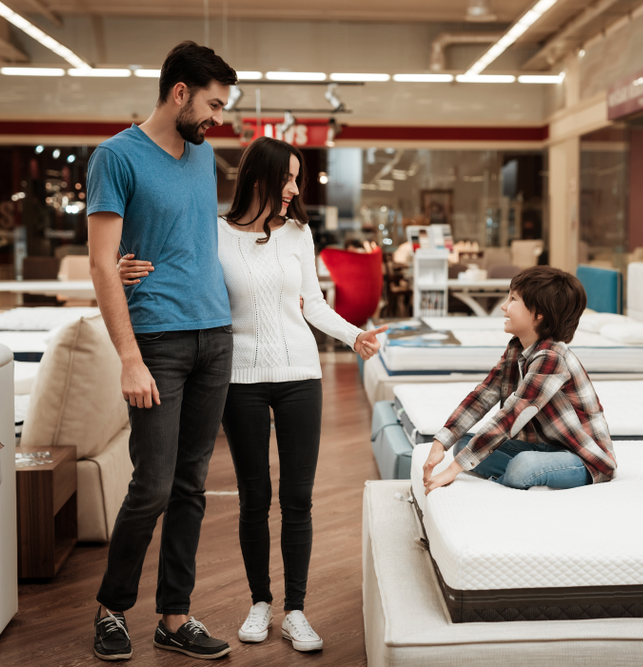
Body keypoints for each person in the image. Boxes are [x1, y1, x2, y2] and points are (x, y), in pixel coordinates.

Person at [118, 136, 386, 653]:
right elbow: (173, 274)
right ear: (257, 177)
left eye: (296, 178)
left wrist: (355, 335)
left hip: (301, 374)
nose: (292, 188)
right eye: (285, 177)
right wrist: (119, 271)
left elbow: (313, 304)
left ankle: (297, 611)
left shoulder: (299, 234)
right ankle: (260, 602)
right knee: (254, 497)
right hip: (237, 377)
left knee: (298, 499)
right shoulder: (213, 234)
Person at [87, 41, 238, 661]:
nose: (217, 118)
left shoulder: (203, 158)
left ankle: (174, 617)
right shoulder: (116, 157)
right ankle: (111, 609)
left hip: (215, 335)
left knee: (192, 486)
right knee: (151, 484)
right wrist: (128, 356)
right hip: (157, 340)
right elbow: (102, 261)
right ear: (180, 92)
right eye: (212, 104)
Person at [422, 266, 617, 494]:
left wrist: (453, 470)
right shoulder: (516, 348)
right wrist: (441, 442)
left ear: (540, 313)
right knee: (463, 444)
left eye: (513, 299)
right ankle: (526, 476)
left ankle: (521, 476)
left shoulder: (552, 357)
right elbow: (482, 396)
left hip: (583, 458)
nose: (504, 306)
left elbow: (513, 415)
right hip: (543, 447)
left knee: (523, 465)